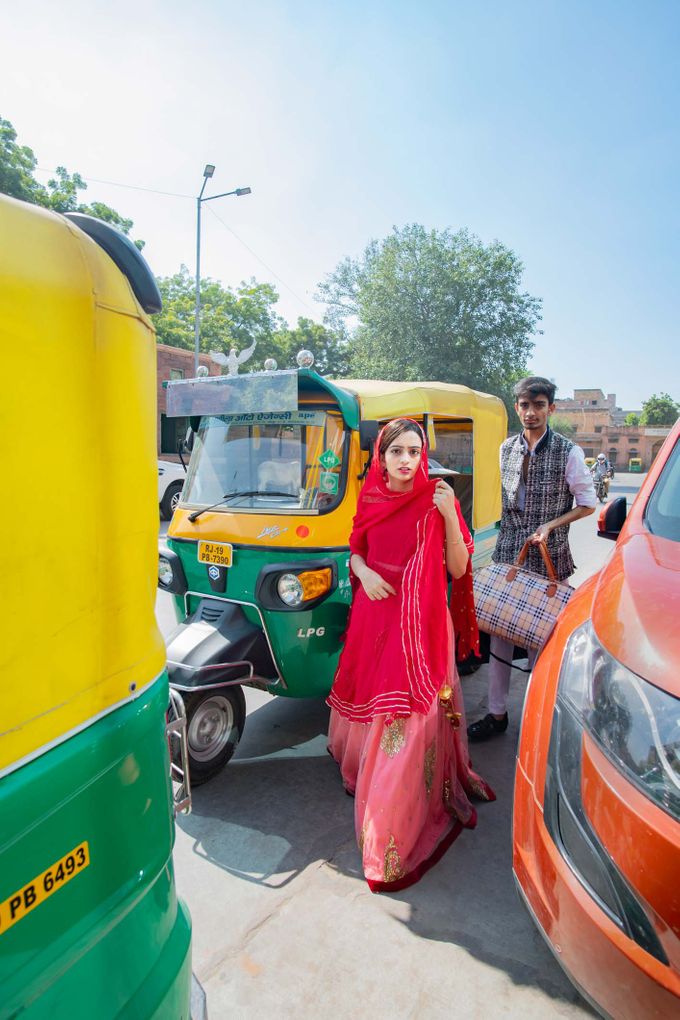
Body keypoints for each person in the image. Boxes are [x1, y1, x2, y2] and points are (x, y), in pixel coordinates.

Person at [327, 418, 494, 892]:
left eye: (414, 452)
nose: (405, 460)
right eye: (396, 451)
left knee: (408, 715)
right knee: (376, 703)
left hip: (421, 623)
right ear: (380, 457)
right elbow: (355, 548)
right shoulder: (372, 497)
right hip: (376, 613)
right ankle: (368, 772)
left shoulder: (437, 498)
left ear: (424, 457)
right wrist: (364, 571)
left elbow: (459, 568)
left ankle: (393, 817)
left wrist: (447, 515)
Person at [468, 377, 596, 742]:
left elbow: (588, 504)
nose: (530, 412)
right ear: (517, 408)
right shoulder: (505, 448)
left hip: (548, 556)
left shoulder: (568, 451)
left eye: (538, 405)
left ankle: (539, 714)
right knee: (500, 633)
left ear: (550, 409)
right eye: (524, 405)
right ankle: (497, 714)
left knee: (543, 639)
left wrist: (550, 525)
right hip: (509, 552)